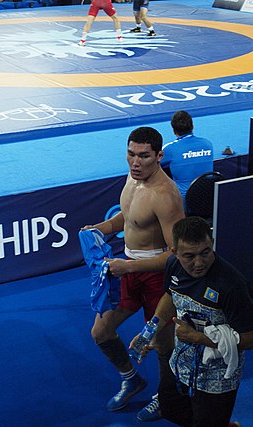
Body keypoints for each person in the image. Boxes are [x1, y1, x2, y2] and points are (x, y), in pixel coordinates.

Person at [81, 126, 185, 421]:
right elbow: (127, 216)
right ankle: (132, 378)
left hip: (155, 279)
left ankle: (166, 398)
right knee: (100, 332)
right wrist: (102, 228)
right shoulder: (133, 176)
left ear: (159, 156)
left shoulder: (166, 196)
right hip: (127, 269)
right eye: (131, 154)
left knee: (164, 346)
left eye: (144, 156)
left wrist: (129, 266)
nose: (135, 162)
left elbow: (177, 255)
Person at [130, 216, 253, 426]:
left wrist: (200, 338)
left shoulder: (231, 285)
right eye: (189, 256)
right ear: (174, 253)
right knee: (170, 409)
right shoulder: (173, 266)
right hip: (181, 363)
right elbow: (170, 296)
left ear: (211, 244)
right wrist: (151, 330)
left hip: (217, 378)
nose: (199, 263)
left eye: (205, 252)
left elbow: (250, 339)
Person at [161, 110, 214, 207]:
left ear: (174, 131)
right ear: (192, 126)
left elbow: (153, 164)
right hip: (208, 198)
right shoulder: (208, 144)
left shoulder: (169, 149)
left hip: (183, 203)